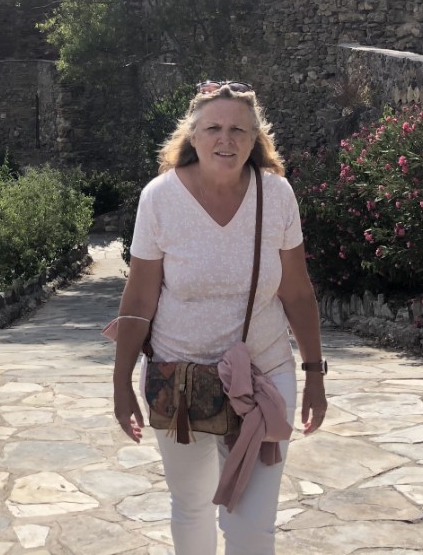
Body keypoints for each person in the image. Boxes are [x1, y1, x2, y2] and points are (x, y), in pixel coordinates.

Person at [109, 80, 327, 555]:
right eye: (213, 128)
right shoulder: (160, 198)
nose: (225, 140)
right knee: (191, 506)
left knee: (253, 523)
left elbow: (296, 291)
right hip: (180, 381)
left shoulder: (277, 195)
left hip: (264, 379)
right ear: (193, 135)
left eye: (237, 130)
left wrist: (314, 374)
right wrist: (121, 382)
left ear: (255, 139)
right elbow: (140, 296)